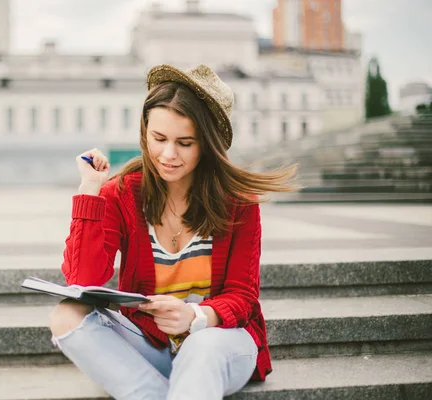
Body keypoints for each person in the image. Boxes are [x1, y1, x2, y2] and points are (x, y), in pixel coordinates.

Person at [49, 64, 298, 399]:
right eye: (159, 139)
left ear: (208, 145)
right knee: (67, 315)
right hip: (152, 343)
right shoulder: (121, 193)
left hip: (219, 342)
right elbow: (83, 278)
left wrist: (193, 317)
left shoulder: (237, 202)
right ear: (144, 133)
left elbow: (243, 297)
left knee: (202, 345)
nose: (168, 154)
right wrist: (90, 191)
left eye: (185, 142)